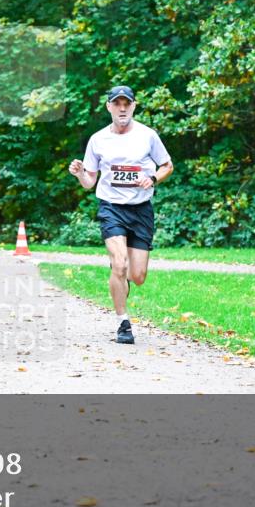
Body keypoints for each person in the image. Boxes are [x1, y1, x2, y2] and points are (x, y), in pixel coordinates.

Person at [68, 85, 174, 344]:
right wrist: (80, 172)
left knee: (137, 277)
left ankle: (121, 273)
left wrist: (153, 178)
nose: (122, 108)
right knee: (119, 263)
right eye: (117, 103)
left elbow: (167, 165)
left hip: (141, 210)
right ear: (109, 107)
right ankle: (122, 323)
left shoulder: (148, 136)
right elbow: (89, 182)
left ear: (134, 106)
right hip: (111, 207)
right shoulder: (98, 139)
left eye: (127, 103)